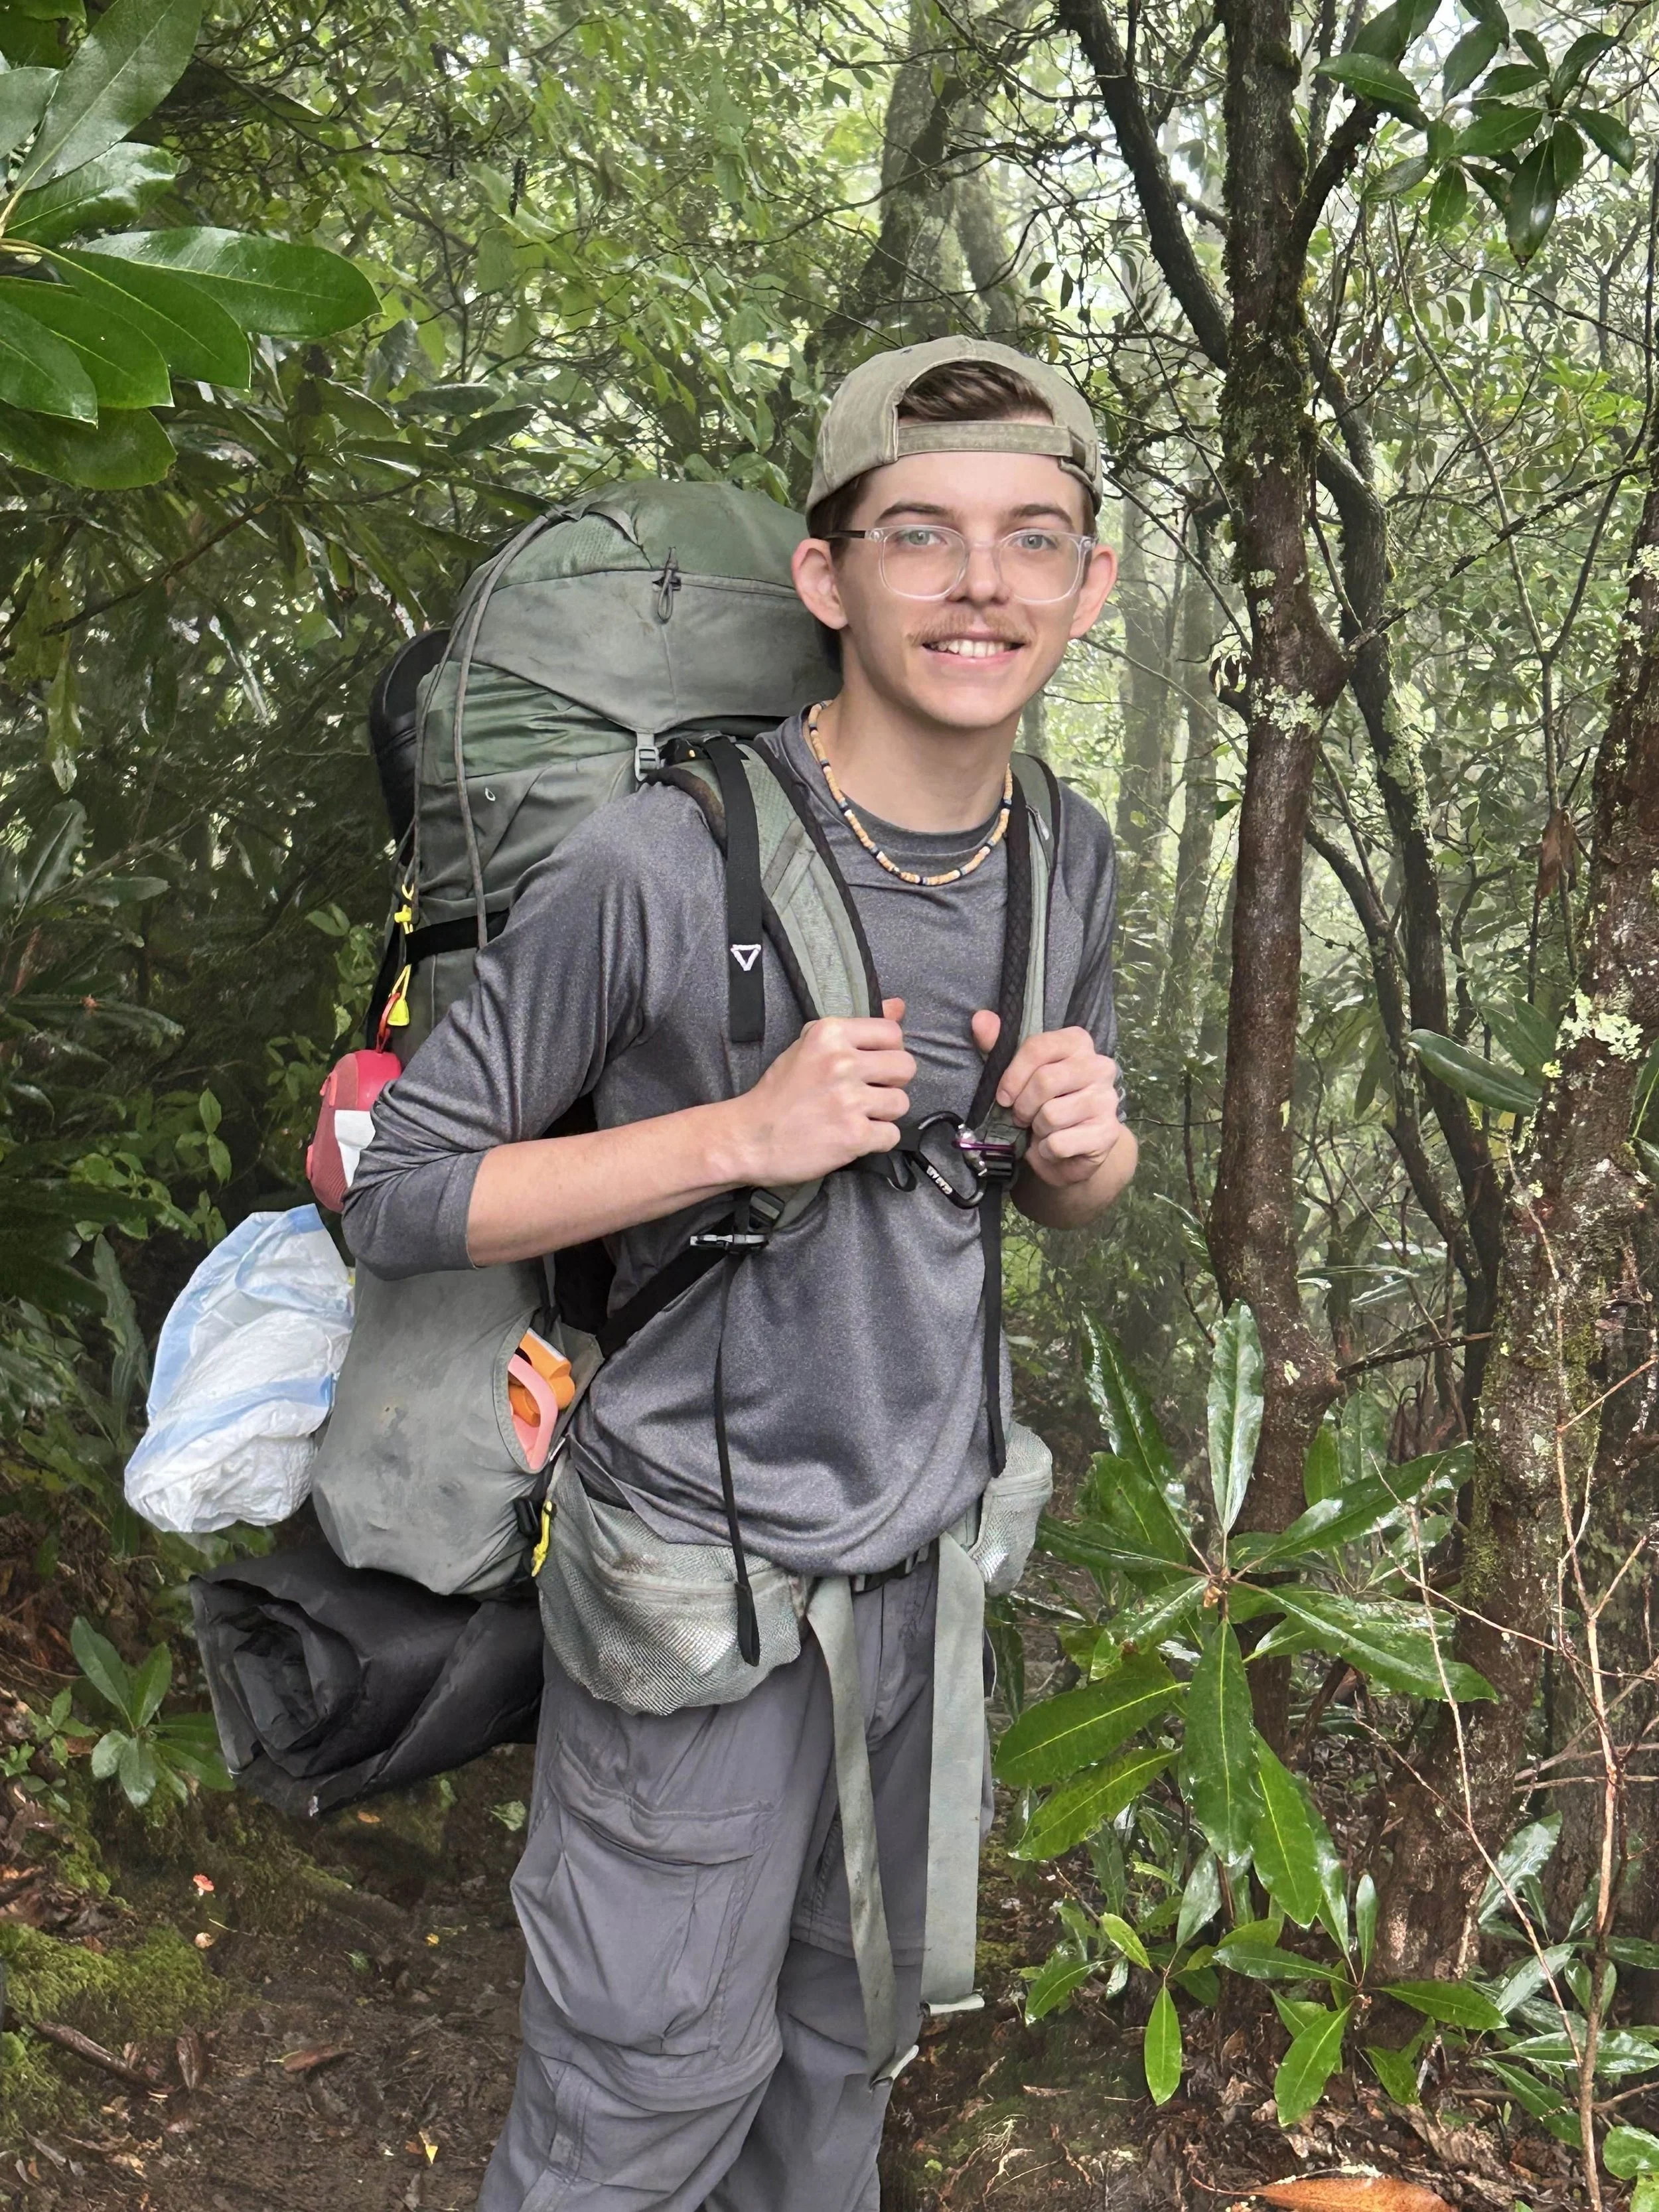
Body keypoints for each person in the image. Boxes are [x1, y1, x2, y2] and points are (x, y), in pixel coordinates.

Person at [344, 334, 1136, 2211]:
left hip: (924, 1572)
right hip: (695, 1590)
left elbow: (1029, 1193)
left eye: (1033, 540)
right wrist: (736, 1132)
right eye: (920, 535)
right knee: (639, 2100)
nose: (979, 584)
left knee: (840, 2060)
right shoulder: (652, 859)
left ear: (1090, 584)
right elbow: (402, 1190)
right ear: (826, 573)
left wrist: (1087, 1165)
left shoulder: (1068, 854)